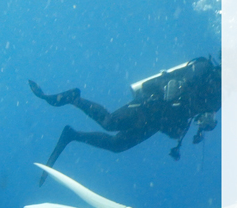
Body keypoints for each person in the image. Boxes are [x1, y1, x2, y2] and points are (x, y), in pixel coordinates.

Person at [29, 56, 221, 185]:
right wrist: (177, 87)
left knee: (117, 145)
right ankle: (73, 98)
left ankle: (72, 135)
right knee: (110, 122)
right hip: (150, 105)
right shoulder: (204, 68)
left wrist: (205, 125)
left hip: (159, 121)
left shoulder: (219, 98)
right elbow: (183, 82)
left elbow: (203, 114)